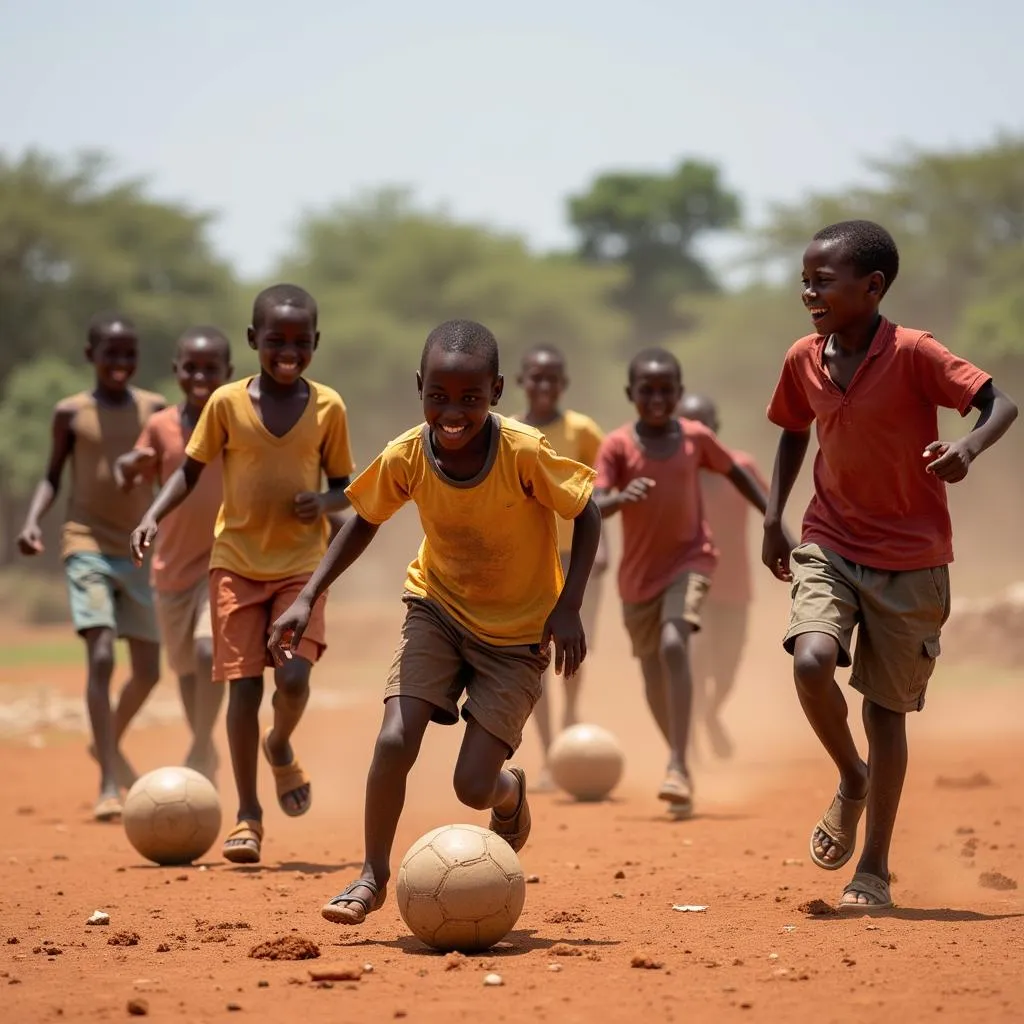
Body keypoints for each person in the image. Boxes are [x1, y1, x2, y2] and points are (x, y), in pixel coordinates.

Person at [268, 319, 601, 926]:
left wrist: (570, 604)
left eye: (470, 399)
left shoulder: (523, 451)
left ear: (496, 391)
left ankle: (510, 792)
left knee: (471, 787)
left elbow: (588, 511)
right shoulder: (408, 454)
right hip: (438, 608)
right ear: (419, 388)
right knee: (395, 738)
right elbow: (363, 518)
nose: (453, 412)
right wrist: (308, 595)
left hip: (518, 635)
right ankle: (370, 873)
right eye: (439, 397)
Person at [762, 219, 1018, 912]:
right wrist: (772, 517)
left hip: (911, 559)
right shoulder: (802, 357)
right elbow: (792, 431)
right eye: (805, 278)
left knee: (885, 710)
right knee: (811, 660)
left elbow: (1001, 403)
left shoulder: (914, 353)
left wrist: (967, 448)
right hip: (830, 540)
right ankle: (852, 778)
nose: (808, 290)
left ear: (872, 287)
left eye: (823, 279)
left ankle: (872, 869)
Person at [130, 284, 355, 864]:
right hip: (235, 561)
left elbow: (342, 491)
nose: (288, 350)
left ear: (315, 344)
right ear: (254, 340)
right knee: (243, 687)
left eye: (300, 341)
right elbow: (188, 471)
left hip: (303, 567)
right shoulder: (226, 403)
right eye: (276, 340)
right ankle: (249, 815)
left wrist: (322, 505)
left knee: (295, 681)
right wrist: (153, 515)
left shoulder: (329, 406)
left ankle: (280, 744)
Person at [594, 348, 776, 819]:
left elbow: (737, 473)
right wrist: (618, 498)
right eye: (647, 390)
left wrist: (776, 524)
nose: (657, 398)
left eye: (666, 390)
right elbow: (593, 502)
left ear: (679, 391)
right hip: (638, 579)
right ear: (630, 394)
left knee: (676, 644)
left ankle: (676, 761)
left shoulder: (695, 438)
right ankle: (681, 758)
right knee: (652, 676)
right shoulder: (617, 445)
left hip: (691, 560)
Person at [16, 313, 165, 820]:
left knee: (148, 671)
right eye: (110, 354)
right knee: (101, 656)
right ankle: (107, 778)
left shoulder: (155, 409)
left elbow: (172, 475)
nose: (120, 364)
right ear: (91, 356)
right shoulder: (70, 413)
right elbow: (52, 476)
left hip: (139, 548)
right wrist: (34, 521)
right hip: (85, 543)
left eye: (129, 354)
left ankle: (105, 744)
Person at [114, 327, 233, 783]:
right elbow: (133, 471)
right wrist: (128, 468)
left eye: (211, 369)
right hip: (170, 568)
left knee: (207, 654)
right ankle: (201, 744)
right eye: (192, 367)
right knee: (184, 670)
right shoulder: (161, 424)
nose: (201, 376)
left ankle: (201, 746)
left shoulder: (232, 423)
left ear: (228, 374)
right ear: (177, 371)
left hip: (222, 560)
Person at [516, 343, 607, 790]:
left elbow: (598, 492)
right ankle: (552, 751)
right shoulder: (510, 433)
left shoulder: (582, 430)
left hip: (577, 559)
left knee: (573, 648)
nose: (544, 386)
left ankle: (572, 717)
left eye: (553, 378)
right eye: (536, 377)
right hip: (533, 560)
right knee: (537, 655)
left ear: (563, 385)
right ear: (521, 382)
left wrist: (602, 547)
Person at [677, 393, 769, 760]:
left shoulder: (740, 466)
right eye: (687, 424)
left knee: (728, 668)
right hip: (690, 586)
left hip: (735, 587)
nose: (696, 431)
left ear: (716, 428)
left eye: (703, 423)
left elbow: (769, 508)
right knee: (695, 662)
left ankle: (711, 715)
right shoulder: (676, 472)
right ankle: (692, 744)